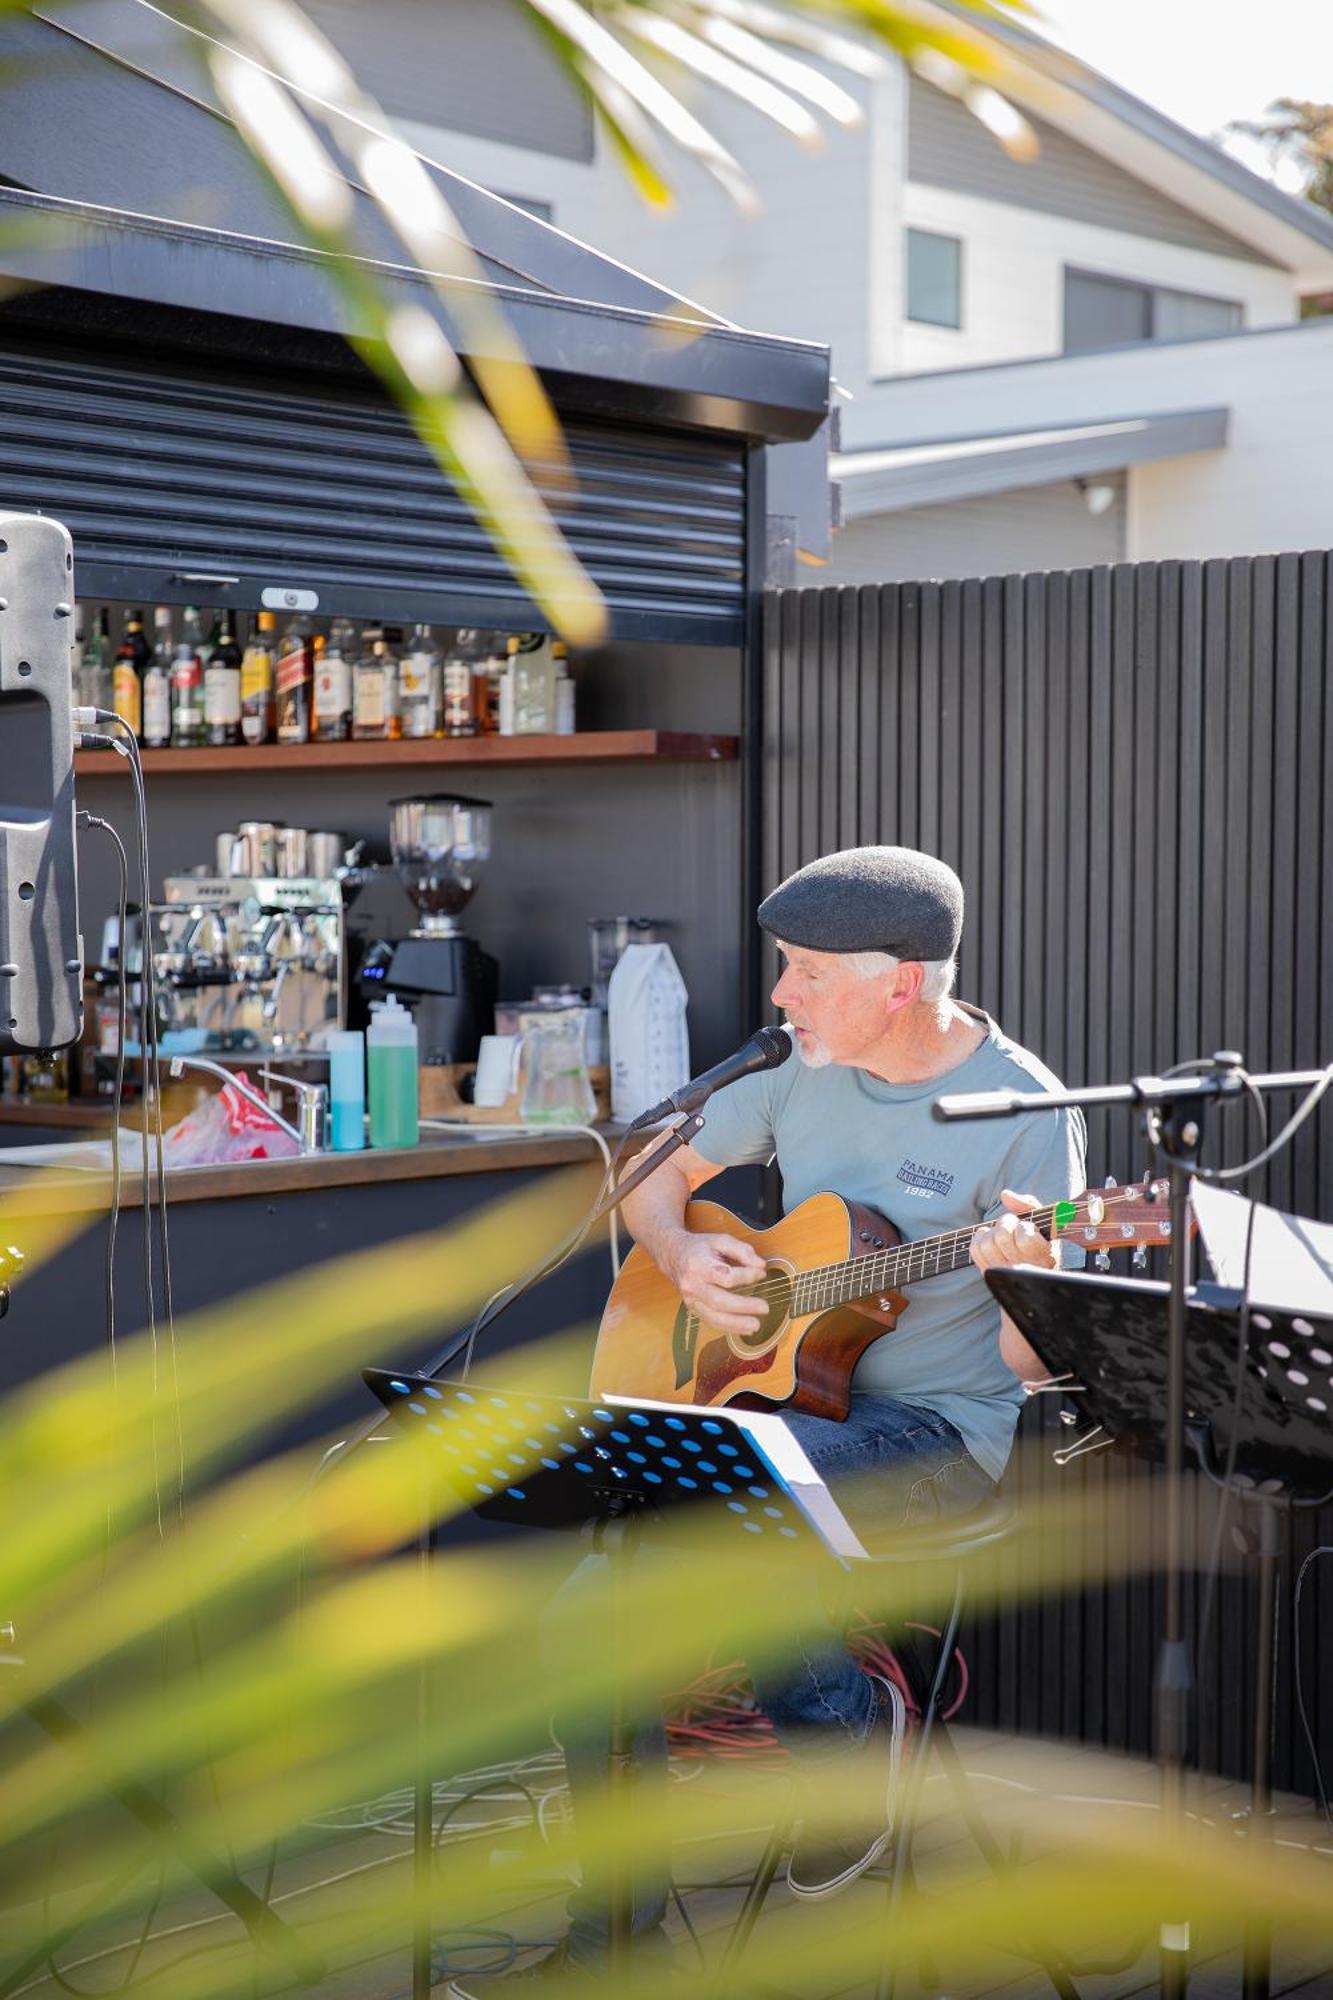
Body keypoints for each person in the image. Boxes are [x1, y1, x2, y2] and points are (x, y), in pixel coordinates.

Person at [447, 845, 1086, 1995]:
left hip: (934, 1436)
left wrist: (1025, 1277)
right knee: (582, 1631)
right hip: (774, 1412)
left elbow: (1032, 1369)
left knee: (726, 1489)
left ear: (898, 983)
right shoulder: (799, 1060)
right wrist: (683, 1250)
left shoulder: (1022, 1110)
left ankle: (845, 1728)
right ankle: (614, 1945)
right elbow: (650, 1155)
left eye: (803, 971)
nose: (780, 995)